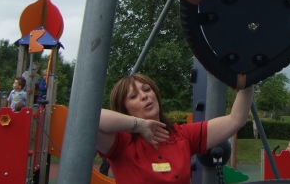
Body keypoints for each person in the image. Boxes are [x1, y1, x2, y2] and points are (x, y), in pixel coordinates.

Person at [96, 73, 254, 183]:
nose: (144, 96)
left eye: (146, 89)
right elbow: (92, 117)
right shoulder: (121, 143)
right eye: (133, 96)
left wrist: (248, 79)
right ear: (124, 109)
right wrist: (140, 125)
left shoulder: (181, 135)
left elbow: (235, 120)